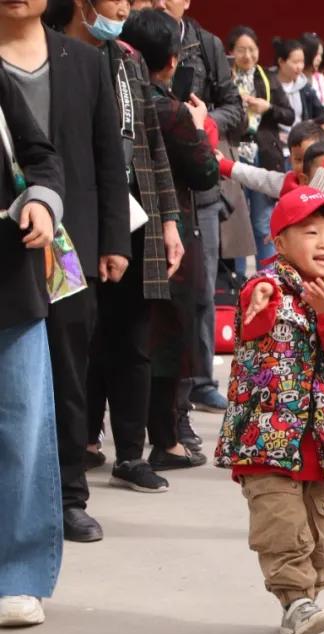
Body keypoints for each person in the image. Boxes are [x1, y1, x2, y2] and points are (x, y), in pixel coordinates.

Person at [215, 186, 324, 634]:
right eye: (311, 232)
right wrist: (261, 293)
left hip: (320, 443)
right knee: (282, 529)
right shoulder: (266, 288)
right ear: (280, 242)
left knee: (323, 535)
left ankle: (305, 601)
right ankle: (296, 601)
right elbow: (255, 310)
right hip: (267, 441)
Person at [0, 0, 130, 543]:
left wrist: (114, 239)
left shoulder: (83, 60)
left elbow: (108, 155)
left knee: (68, 370)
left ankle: (68, 495)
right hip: (4, 243)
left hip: (66, 243)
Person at [44, 0, 184, 491]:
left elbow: (151, 144)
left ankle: (130, 453)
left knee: (131, 339)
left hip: (132, 215)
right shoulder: (49, 52)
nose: (123, 6)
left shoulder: (128, 59)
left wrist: (169, 221)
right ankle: (76, 449)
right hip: (68, 217)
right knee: (74, 339)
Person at [121, 6, 219, 475]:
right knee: (171, 338)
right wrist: (199, 127)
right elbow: (205, 173)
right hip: (171, 230)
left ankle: (103, 438)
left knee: (124, 336)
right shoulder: (172, 111)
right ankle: (168, 438)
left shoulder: (123, 102)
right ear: (173, 59)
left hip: (123, 228)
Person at [154, 0, 244, 416]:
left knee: (202, 290)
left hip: (199, 180)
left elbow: (235, 108)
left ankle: (201, 381)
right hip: (153, 176)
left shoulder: (206, 44)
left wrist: (203, 122)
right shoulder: (135, 38)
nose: (160, 1)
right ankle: (163, 385)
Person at [0, 63, 65, 628]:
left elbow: (40, 155)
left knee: (21, 426)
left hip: (8, 280)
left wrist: (40, 202)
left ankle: (18, 576)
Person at [225, 25, 294, 275]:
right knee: (237, 220)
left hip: (263, 155)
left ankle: (269, 276)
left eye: (252, 49)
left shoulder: (267, 78)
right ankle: (238, 279)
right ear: (230, 52)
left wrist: (268, 108)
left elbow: (288, 115)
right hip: (234, 151)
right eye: (241, 50)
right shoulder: (224, 78)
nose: (248, 56)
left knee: (263, 222)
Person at [270, 36, 323, 143]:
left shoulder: (305, 88)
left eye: (302, 62)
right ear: (281, 61)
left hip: (300, 143)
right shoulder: (268, 85)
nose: (299, 67)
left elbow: (320, 114)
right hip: (275, 144)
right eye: (295, 62)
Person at [299, 32, 324, 110]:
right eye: (316, 54)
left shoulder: (319, 78)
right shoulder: (295, 77)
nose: (319, 59)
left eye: (321, 55)